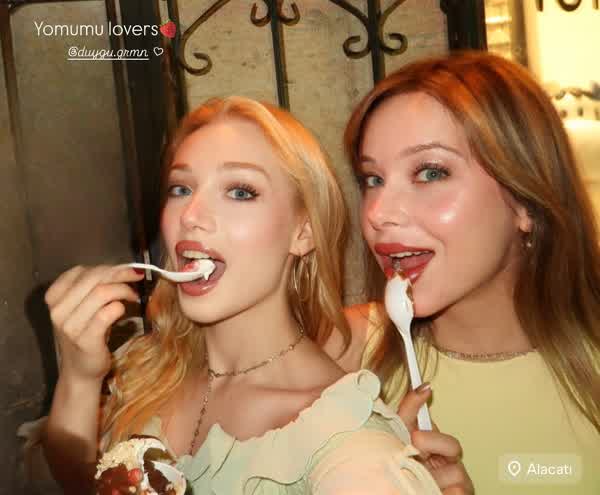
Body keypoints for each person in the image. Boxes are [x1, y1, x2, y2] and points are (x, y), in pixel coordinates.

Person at [41, 96, 471, 495]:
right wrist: (79, 376)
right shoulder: (151, 366)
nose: (191, 216)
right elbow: (83, 479)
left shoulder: (350, 447)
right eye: (180, 189)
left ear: (303, 231)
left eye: (240, 191)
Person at [327, 51, 600, 494]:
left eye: (430, 172)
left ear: (525, 202)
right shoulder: (338, 356)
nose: (378, 213)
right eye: (372, 179)